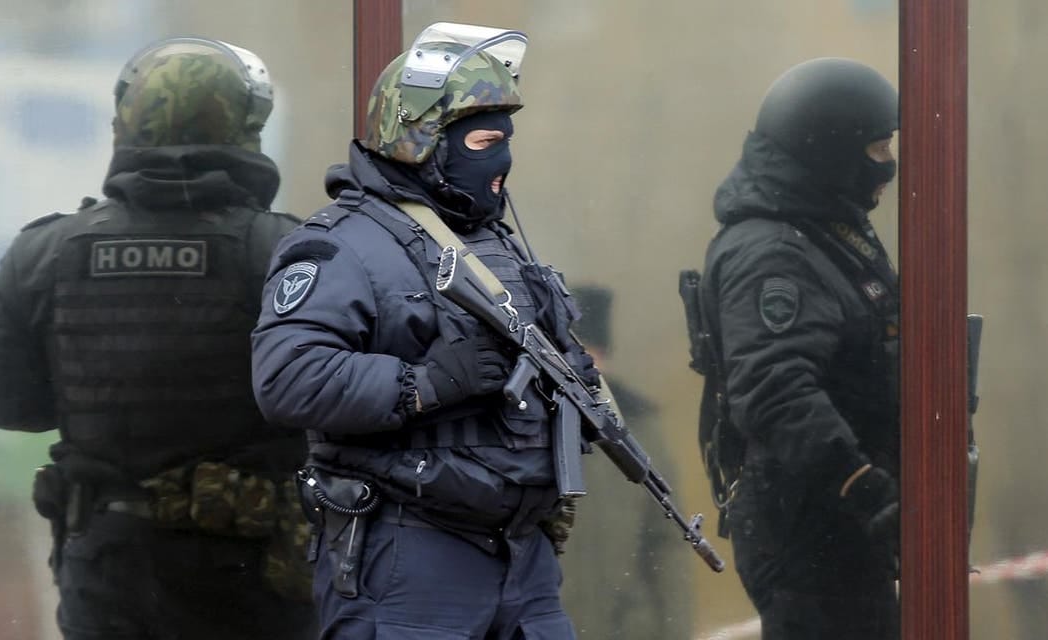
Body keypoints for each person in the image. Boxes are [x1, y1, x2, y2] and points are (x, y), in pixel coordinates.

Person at [0, 37, 315, 640]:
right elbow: (339, 396)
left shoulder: (48, 251)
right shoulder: (283, 252)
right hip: (251, 577)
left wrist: (90, 399)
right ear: (244, 129)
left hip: (106, 570)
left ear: (126, 124)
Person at [251, 22, 593, 639]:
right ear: (423, 141)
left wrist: (572, 392)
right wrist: (426, 383)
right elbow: (288, 379)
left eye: (507, 141)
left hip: (525, 562)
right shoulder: (342, 245)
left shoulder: (499, 247)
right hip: (407, 557)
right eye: (484, 141)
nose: (502, 161)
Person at [689, 58, 901, 639]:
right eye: (877, 148)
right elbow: (774, 390)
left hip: (834, 526)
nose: (889, 163)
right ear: (831, 150)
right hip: (812, 529)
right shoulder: (774, 253)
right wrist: (862, 484)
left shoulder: (822, 232)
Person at [560, 285, 693, 638]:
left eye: (593, 354)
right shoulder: (527, 429)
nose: (584, 368)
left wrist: (676, 631)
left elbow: (666, 541)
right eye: (573, 353)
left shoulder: (639, 429)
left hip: (630, 629)